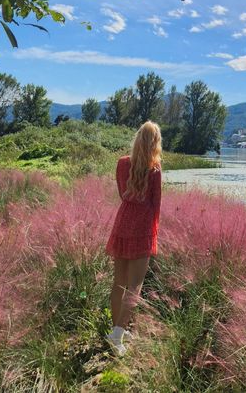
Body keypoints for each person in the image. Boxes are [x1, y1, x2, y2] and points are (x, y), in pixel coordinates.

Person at [105, 120, 162, 355]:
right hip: (143, 227)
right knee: (135, 286)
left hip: (123, 222)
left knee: (119, 282)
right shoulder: (155, 169)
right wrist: (153, 231)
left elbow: (122, 193)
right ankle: (117, 335)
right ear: (155, 143)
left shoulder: (121, 164)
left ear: (137, 138)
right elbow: (156, 204)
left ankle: (116, 328)